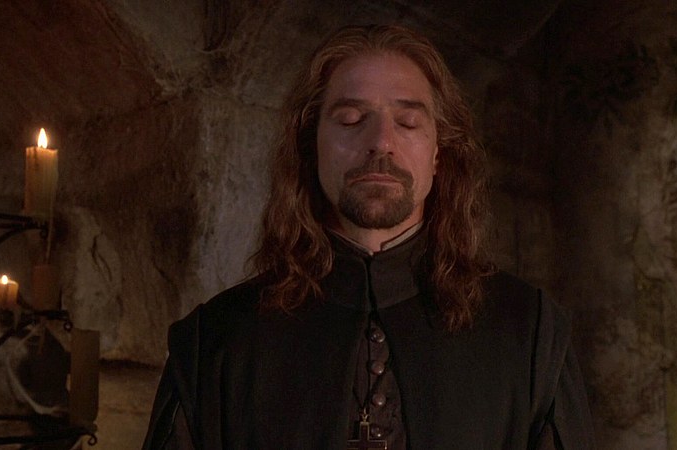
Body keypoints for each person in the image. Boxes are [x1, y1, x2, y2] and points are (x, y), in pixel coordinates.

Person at [142, 24, 594, 450]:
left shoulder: (530, 334)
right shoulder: (214, 342)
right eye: (351, 118)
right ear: (311, 146)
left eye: (408, 122)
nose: (381, 141)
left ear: (438, 153)